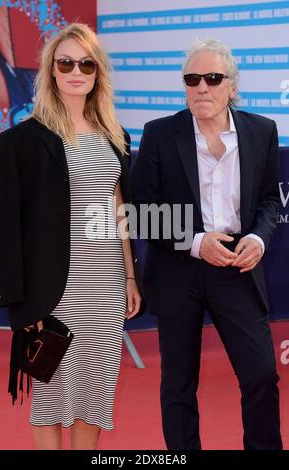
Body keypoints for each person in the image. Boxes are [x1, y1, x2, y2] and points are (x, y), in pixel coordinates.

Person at [0, 23, 142, 450]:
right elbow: (7, 230)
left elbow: (119, 215)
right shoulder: (22, 140)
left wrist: (131, 278)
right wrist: (23, 304)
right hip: (52, 292)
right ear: (52, 71)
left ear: (98, 73)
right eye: (66, 62)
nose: (76, 71)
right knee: (49, 395)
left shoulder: (118, 137)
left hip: (107, 288)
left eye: (86, 63)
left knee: (93, 399)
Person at [132, 38, 282, 450]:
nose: (202, 87)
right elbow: (141, 210)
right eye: (192, 78)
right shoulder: (160, 133)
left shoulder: (261, 131)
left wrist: (257, 238)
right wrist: (196, 242)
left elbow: (270, 200)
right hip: (179, 268)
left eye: (213, 78)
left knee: (261, 375)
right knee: (178, 386)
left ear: (232, 86)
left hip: (237, 266)